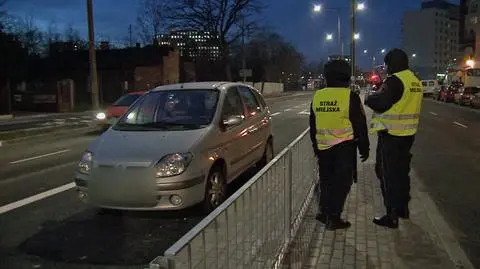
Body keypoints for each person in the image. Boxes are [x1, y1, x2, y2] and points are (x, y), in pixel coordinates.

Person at [365, 48, 423, 229]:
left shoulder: (395, 81)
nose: (387, 68)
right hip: (408, 135)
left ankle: (391, 216)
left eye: (388, 64)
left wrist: (368, 98)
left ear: (392, 64)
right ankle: (402, 209)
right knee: (402, 173)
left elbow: (381, 102)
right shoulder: (414, 80)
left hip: (391, 135)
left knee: (386, 174)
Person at [309, 59, 370, 230]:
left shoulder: (318, 96)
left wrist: (315, 145)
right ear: (346, 76)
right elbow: (360, 125)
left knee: (326, 181)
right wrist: (365, 148)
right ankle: (334, 217)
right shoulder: (350, 96)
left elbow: (313, 124)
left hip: (323, 149)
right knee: (342, 183)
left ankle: (324, 213)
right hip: (344, 148)